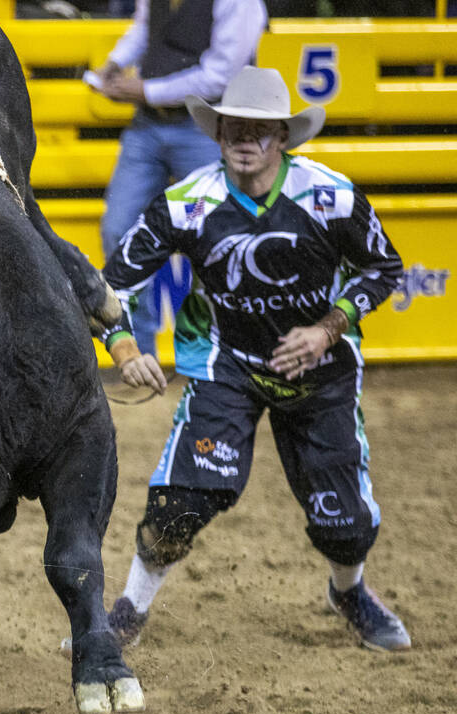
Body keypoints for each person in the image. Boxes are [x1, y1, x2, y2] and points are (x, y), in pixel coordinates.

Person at [96, 66, 411, 653]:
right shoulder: (189, 203)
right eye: (233, 128)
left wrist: (327, 328)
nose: (245, 139)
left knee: (346, 526)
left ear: (283, 139)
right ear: (216, 136)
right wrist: (124, 345)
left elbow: (383, 268)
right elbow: (113, 283)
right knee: (181, 503)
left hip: (323, 371)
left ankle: (349, 592)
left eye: (259, 130)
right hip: (227, 363)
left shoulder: (331, 197)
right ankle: (128, 612)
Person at [90, 0, 267, 357]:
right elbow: (145, 28)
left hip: (208, 126)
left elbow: (222, 76)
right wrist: (114, 63)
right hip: (151, 124)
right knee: (119, 228)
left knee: (216, 235)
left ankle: (224, 352)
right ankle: (137, 352)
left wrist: (144, 90)